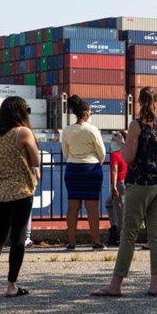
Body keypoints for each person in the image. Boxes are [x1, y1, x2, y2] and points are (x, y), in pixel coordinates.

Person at [91, 86, 157, 297]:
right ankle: (155, 285)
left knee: (129, 234)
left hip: (139, 184)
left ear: (139, 102)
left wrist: (121, 143)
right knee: (156, 234)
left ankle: (115, 285)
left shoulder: (136, 125)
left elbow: (129, 156)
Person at [0, 96, 40, 297]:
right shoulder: (23, 132)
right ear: (21, 112)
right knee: (18, 238)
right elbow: (36, 160)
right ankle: (11, 285)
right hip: (21, 190)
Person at [62, 95, 107, 250]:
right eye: (91, 112)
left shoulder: (67, 130)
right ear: (86, 113)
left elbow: (65, 153)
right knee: (92, 207)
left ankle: (71, 242)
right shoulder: (92, 129)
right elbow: (102, 152)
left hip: (73, 170)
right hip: (91, 169)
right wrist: (96, 162)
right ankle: (96, 241)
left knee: (72, 207)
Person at [106, 131, 128, 247]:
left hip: (119, 183)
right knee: (109, 203)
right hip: (127, 182)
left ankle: (120, 235)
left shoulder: (116, 154)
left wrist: (113, 186)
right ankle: (114, 228)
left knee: (119, 210)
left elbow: (114, 170)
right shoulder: (128, 154)